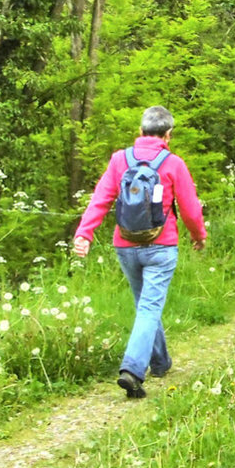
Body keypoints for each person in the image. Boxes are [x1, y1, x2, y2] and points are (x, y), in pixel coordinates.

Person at [71, 106, 207, 400]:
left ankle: (160, 362)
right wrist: (199, 237)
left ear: (140, 131)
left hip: (126, 246)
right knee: (149, 307)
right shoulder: (173, 164)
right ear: (168, 135)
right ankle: (133, 369)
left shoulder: (120, 160)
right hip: (161, 246)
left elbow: (101, 199)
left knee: (146, 305)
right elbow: (191, 210)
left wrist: (84, 233)